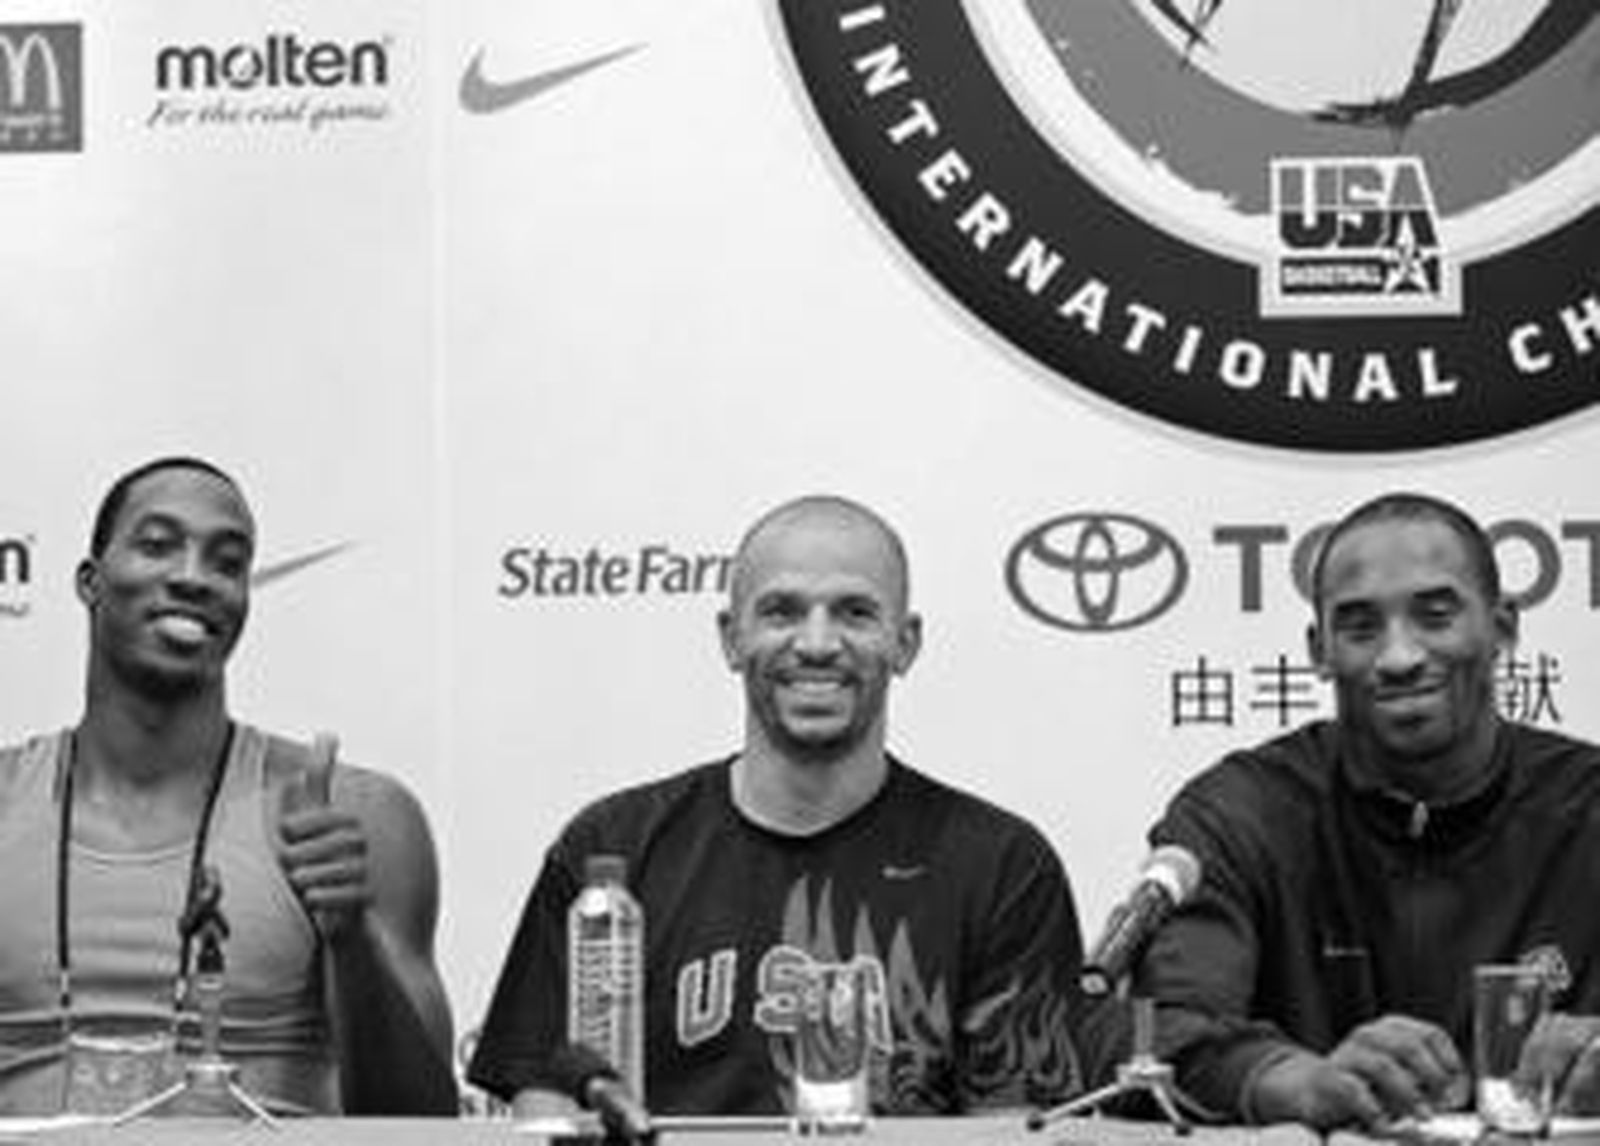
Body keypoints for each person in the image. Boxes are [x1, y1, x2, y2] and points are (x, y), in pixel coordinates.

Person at [468, 495, 1084, 1117]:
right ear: (731, 638)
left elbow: (1016, 1126)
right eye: (782, 611)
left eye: (855, 612)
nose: (817, 643)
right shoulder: (611, 851)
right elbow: (546, 1103)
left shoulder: (1001, 866)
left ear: (906, 642)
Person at [1119, 491, 1600, 1130]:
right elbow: (1162, 1030)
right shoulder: (1239, 813)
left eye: (1435, 615)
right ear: (1320, 648)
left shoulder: (1586, 806)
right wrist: (1300, 1084)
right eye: (1361, 627)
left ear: (1503, 626)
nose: (1399, 656)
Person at [0, 456, 456, 1116]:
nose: (193, 577)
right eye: (158, 545)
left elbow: (421, 1124)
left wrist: (350, 934)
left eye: (227, 561)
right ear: (90, 582)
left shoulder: (354, 815)